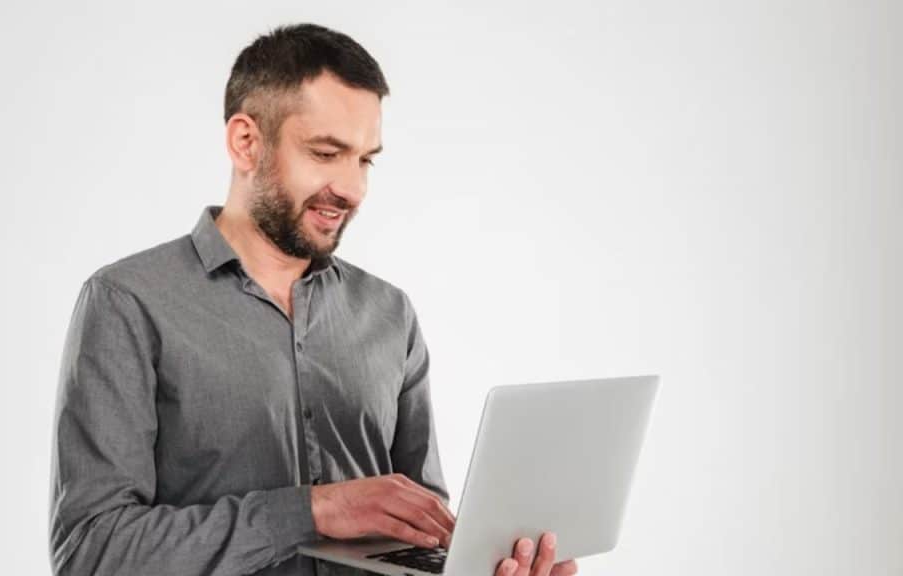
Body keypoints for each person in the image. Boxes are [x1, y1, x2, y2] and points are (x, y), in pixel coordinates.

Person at [49, 22, 579, 576]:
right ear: (245, 142)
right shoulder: (129, 302)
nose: (352, 188)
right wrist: (311, 511)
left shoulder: (389, 314)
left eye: (365, 159)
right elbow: (92, 552)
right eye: (327, 153)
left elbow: (422, 531)